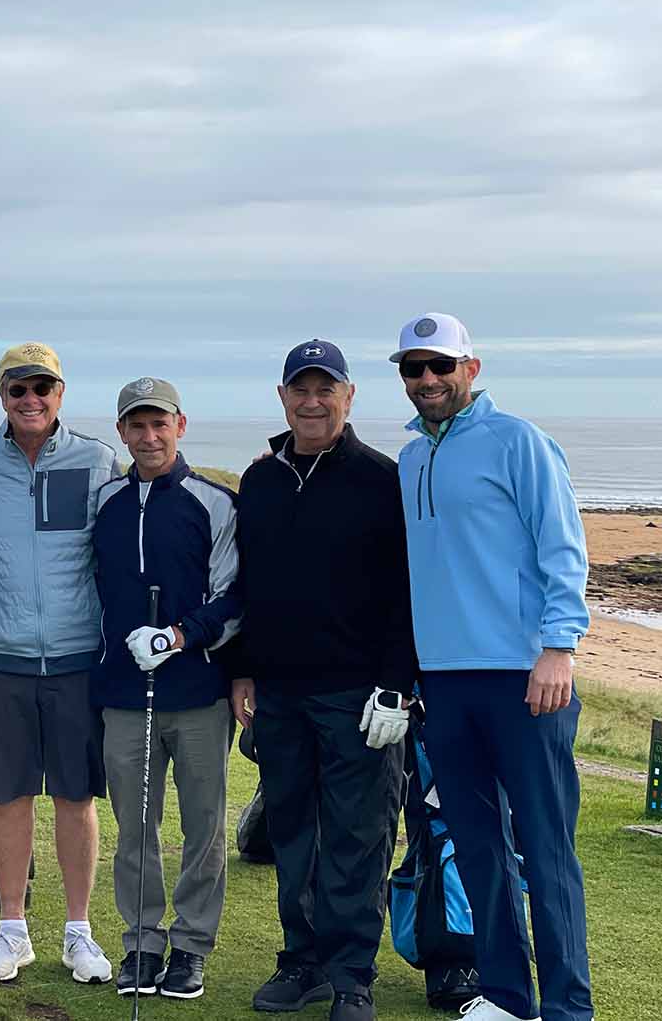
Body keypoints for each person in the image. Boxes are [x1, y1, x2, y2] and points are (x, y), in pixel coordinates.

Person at [391, 313, 592, 1021]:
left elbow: (563, 547)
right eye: (413, 368)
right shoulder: (411, 459)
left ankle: (568, 1006)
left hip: (525, 675)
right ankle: (509, 995)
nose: (426, 380)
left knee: (544, 846)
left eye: (439, 365)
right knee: (476, 847)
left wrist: (559, 646)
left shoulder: (519, 442)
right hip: (443, 682)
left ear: (470, 369)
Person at [230, 339, 416, 1021]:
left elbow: (405, 593)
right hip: (279, 690)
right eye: (300, 389)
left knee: (358, 837)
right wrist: (242, 667)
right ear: (283, 397)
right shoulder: (262, 481)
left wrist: (398, 685)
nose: (313, 401)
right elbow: (248, 584)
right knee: (294, 831)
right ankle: (301, 960)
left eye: (325, 388)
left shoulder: (380, 477)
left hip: (359, 694)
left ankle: (351, 975)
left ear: (348, 396)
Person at [0, 342, 122, 986]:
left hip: (80, 658)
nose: (31, 399)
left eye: (42, 388)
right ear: (2, 396)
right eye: (17, 389)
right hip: (1, 657)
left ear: (61, 393)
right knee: (9, 796)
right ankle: (12, 929)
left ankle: (79, 933)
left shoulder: (96, 458)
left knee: (76, 798)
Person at [91, 378, 241, 999]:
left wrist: (180, 636)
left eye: (160, 424)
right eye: (136, 425)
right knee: (135, 826)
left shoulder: (215, 501)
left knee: (204, 823)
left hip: (199, 690)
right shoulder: (105, 501)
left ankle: (191, 946)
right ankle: (142, 942)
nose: (148, 437)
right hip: (125, 693)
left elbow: (234, 596)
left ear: (180, 425)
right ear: (122, 432)